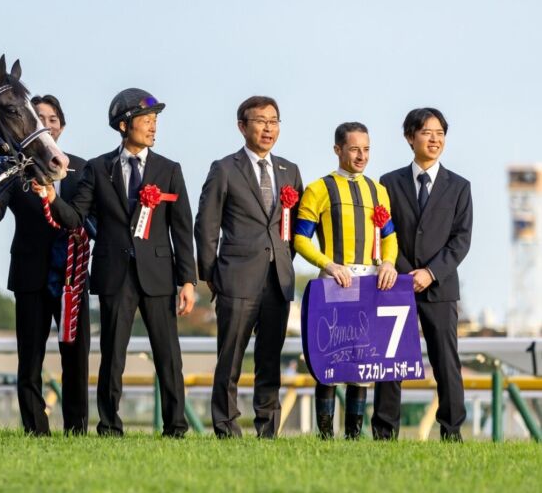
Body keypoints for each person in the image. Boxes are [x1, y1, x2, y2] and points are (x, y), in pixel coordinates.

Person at [35, 88, 197, 437]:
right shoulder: (97, 168)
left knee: (169, 356)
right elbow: (76, 217)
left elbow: (182, 230)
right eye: (146, 120)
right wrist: (51, 198)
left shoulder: (169, 169)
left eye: (155, 120)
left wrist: (188, 281)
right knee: (112, 355)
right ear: (124, 125)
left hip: (158, 274)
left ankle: (176, 427)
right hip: (114, 275)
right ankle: (109, 425)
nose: (153, 126)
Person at [195, 96, 303, 438]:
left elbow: (295, 228)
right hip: (236, 279)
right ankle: (226, 426)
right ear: (242, 126)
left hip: (277, 281)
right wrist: (212, 275)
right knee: (230, 359)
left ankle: (267, 428)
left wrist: (283, 262)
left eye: (273, 121)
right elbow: (206, 226)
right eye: (260, 121)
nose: (268, 128)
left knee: (270, 359)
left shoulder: (289, 170)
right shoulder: (225, 168)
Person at [0, 94, 91, 436]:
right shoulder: (15, 167)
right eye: (39, 118)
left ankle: (77, 427)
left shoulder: (83, 169)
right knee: (29, 358)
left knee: (75, 357)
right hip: (29, 274)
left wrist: (52, 197)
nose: (46, 124)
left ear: (62, 126)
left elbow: (79, 218)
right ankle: (35, 428)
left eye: (52, 119)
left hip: (71, 278)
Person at [372, 108, 472, 441]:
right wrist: (404, 272)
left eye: (440, 133)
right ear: (409, 137)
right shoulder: (388, 183)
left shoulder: (459, 187)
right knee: (390, 360)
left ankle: (452, 431)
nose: (434, 139)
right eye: (427, 132)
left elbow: (461, 240)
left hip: (440, 287)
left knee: (446, 361)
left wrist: (430, 272)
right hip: (395, 285)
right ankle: (384, 432)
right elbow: (383, 232)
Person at [293, 122, 398, 439]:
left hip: (369, 285)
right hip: (333, 283)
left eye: (366, 149)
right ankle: (325, 435)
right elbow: (301, 239)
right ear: (338, 150)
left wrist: (389, 263)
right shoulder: (319, 189)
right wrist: (328, 264)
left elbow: (389, 237)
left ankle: (353, 435)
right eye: (354, 149)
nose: (361, 156)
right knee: (330, 360)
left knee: (361, 361)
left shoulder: (378, 191)